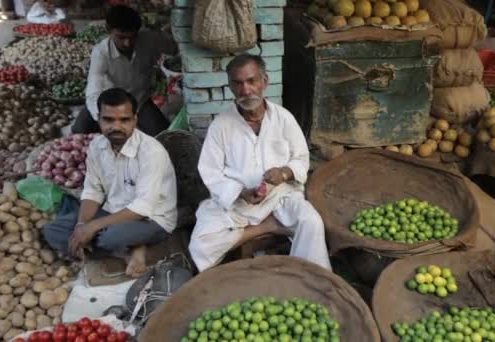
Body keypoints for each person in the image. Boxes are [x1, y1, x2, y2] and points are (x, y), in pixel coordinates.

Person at [189, 54, 332, 272]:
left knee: (311, 221)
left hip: (280, 197)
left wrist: (284, 173)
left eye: (251, 81)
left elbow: (301, 158)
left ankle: (311, 278)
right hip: (238, 202)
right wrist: (239, 191)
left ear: (264, 82)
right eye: (238, 83)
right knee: (200, 244)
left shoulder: (284, 118)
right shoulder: (221, 125)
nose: (246, 90)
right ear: (230, 87)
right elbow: (210, 171)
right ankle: (269, 226)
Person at [44, 88, 178, 277]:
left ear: (135, 119)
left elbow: (143, 207)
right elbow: (93, 190)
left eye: (124, 120)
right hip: (112, 212)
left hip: (152, 219)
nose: (116, 126)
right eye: (109, 120)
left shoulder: (151, 152)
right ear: (99, 119)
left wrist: (92, 227)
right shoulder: (97, 146)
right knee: (53, 230)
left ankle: (126, 248)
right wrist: (82, 224)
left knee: (110, 238)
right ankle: (127, 250)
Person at [72, 5, 176, 136]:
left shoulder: (150, 39)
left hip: (139, 101)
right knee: (79, 129)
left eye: (132, 37)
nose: (128, 43)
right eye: (121, 37)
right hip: (110, 102)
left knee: (164, 135)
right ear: (109, 30)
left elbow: (173, 47)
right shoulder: (101, 52)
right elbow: (94, 89)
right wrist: (101, 117)